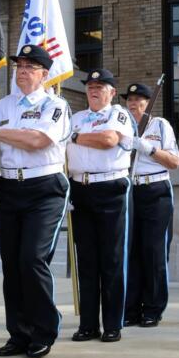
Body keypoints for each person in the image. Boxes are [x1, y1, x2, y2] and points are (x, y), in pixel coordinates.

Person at [0, 44, 71, 358]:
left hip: (44, 187)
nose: (22, 71)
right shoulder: (3, 106)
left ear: (45, 74)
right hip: (10, 185)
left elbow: (37, 141)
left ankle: (44, 329)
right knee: (12, 264)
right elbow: (7, 142)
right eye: (19, 66)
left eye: (30, 66)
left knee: (32, 258)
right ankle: (19, 333)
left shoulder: (56, 105)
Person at [67, 68, 134, 343]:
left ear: (111, 92)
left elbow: (109, 140)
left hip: (110, 189)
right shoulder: (77, 118)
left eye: (100, 86)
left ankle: (112, 324)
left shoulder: (117, 114)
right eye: (90, 86)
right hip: (80, 189)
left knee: (112, 260)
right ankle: (88, 325)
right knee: (87, 261)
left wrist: (76, 138)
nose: (94, 90)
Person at [122, 82, 179, 328]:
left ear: (148, 103)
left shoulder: (160, 125)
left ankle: (154, 308)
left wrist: (149, 149)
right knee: (131, 251)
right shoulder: (122, 125)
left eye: (139, 100)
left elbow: (174, 161)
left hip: (156, 189)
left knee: (154, 251)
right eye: (130, 99)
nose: (133, 103)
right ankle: (131, 308)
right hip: (130, 189)